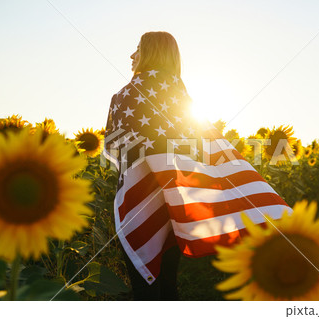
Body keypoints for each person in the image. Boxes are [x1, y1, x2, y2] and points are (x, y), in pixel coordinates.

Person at [103, 31, 291, 301]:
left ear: (151, 53)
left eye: (138, 49)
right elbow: (194, 148)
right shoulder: (183, 97)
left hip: (139, 198)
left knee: (143, 284)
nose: (132, 56)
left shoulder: (124, 96)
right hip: (176, 198)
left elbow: (112, 144)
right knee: (168, 281)